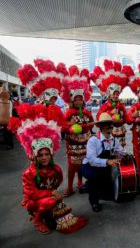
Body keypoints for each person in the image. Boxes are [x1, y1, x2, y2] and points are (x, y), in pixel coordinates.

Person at [8, 103, 87, 234]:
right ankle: (37, 220)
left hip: (48, 197)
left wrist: (54, 192)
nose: (44, 157)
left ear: (51, 154)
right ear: (35, 156)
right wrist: (51, 193)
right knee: (49, 202)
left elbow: (58, 182)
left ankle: (44, 213)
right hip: (33, 201)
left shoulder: (56, 169)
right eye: (40, 155)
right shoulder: (29, 173)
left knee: (55, 204)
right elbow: (31, 193)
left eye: (47, 154)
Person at [82, 112, 127, 212]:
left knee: (110, 177)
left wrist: (123, 154)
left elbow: (121, 151)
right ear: (100, 126)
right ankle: (94, 201)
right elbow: (92, 160)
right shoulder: (93, 140)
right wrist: (108, 161)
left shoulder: (114, 140)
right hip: (89, 166)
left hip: (104, 165)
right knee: (94, 178)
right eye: (107, 124)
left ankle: (105, 193)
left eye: (111, 124)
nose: (110, 126)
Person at [61, 65, 94, 197]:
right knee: (72, 166)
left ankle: (80, 183)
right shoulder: (68, 112)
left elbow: (91, 125)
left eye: (81, 98)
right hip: (72, 144)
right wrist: (70, 125)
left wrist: (85, 126)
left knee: (82, 164)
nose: (79, 101)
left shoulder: (86, 112)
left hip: (85, 143)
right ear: (72, 100)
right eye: (76, 99)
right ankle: (69, 187)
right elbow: (62, 127)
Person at [91, 59, 133, 147]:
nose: (115, 96)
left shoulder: (121, 105)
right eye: (113, 94)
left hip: (121, 133)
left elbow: (126, 119)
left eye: (117, 94)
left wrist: (133, 116)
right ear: (109, 95)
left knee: (120, 152)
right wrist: (110, 114)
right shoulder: (105, 106)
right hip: (109, 133)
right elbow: (99, 117)